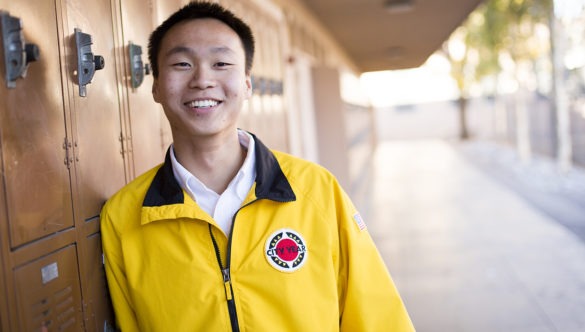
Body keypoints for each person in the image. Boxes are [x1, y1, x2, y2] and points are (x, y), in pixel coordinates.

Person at [100, 1, 414, 331]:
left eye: (221, 63)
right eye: (181, 64)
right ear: (156, 86)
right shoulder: (124, 217)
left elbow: (379, 318)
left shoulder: (315, 191)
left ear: (248, 83)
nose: (203, 79)